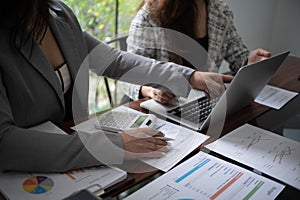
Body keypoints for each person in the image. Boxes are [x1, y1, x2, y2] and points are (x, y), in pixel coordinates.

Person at [0, 0, 232, 172]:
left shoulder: (59, 14)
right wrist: (113, 144)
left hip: (80, 163)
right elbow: (5, 143)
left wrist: (189, 77)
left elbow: (115, 61)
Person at [122, 0, 271, 104]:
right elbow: (129, 75)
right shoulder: (150, 16)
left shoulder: (219, 11)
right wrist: (149, 90)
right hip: (163, 107)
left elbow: (238, 57)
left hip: (204, 102)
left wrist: (249, 61)